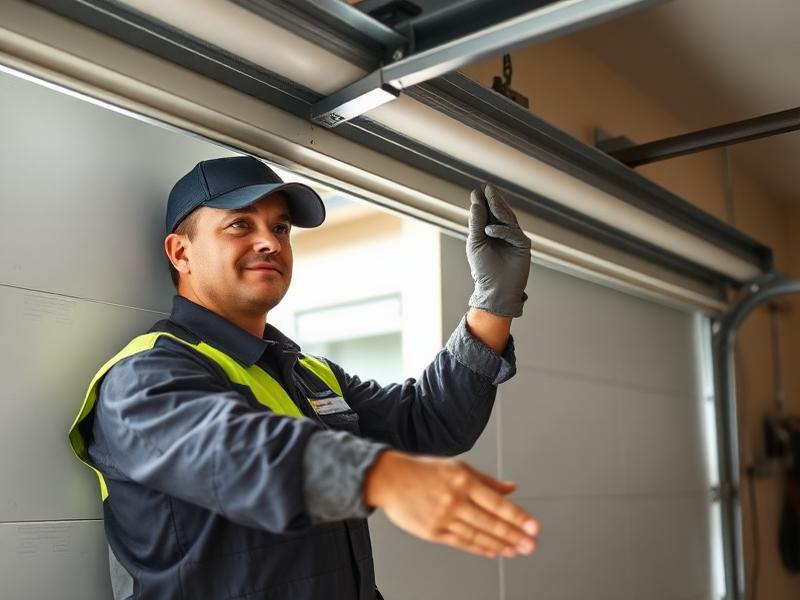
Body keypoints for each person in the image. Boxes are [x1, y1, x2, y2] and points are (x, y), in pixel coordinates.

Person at [68, 155, 539, 600]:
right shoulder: (144, 376)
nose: (270, 242)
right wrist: (384, 475)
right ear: (180, 253)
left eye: (280, 228)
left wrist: (492, 303)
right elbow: (237, 453)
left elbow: (430, 421)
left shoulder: (309, 374)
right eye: (240, 225)